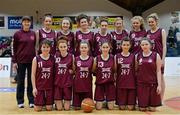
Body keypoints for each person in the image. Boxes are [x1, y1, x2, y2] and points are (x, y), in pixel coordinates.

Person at [12, 16, 35, 108]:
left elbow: (36, 47)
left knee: (31, 82)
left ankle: (31, 101)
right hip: (20, 61)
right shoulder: (17, 34)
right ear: (22, 23)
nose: (26, 23)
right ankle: (20, 101)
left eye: (28, 22)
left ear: (30, 23)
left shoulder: (33, 34)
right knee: (20, 82)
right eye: (25, 22)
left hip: (32, 61)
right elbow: (13, 48)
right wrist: (14, 61)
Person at [136, 38, 162, 111]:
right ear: (140, 46)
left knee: (153, 109)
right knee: (142, 108)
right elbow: (136, 70)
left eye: (146, 44)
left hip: (152, 84)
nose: (144, 46)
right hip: (141, 84)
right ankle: (143, 103)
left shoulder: (156, 55)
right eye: (142, 44)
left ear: (150, 45)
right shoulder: (138, 56)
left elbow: (158, 71)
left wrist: (159, 85)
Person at [146, 13, 167, 100]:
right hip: (150, 58)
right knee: (152, 77)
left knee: (161, 77)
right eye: (149, 22)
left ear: (156, 21)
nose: (151, 23)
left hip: (159, 58)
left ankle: (161, 99)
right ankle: (152, 97)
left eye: (152, 22)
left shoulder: (161, 31)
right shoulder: (147, 32)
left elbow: (164, 46)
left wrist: (163, 59)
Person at [31, 39, 55, 111]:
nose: (45, 49)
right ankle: (41, 102)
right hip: (39, 87)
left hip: (49, 87)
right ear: (40, 48)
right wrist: (34, 88)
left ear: (50, 48)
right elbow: (33, 74)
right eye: (44, 47)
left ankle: (45, 102)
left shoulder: (53, 58)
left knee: (49, 108)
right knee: (38, 109)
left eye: (47, 47)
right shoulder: (36, 59)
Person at [94, 40, 116, 110]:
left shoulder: (113, 58)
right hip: (100, 84)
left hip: (110, 84)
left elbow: (115, 70)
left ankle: (107, 101)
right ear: (100, 48)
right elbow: (93, 70)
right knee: (98, 108)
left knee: (111, 108)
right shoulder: (96, 58)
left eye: (107, 47)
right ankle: (103, 101)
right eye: (104, 47)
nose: (105, 49)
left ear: (110, 48)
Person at [115, 38, 136, 110]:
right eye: (124, 45)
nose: (126, 46)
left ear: (130, 46)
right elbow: (115, 71)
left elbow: (136, 69)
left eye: (127, 45)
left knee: (130, 108)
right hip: (121, 84)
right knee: (122, 107)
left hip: (131, 84)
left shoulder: (133, 56)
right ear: (121, 45)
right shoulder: (117, 56)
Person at [54, 36, 74, 110]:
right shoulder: (55, 56)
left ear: (67, 47)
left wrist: (72, 71)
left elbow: (74, 70)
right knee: (59, 108)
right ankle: (56, 103)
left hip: (67, 84)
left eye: (64, 46)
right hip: (57, 83)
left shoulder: (71, 56)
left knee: (67, 108)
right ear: (58, 47)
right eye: (61, 47)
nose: (63, 48)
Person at [73, 40, 94, 110]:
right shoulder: (76, 59)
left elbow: (93, 71)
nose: (83, 49)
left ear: (88, 48)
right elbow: (73, 70)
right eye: (82, 47)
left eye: (85, 47)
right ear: (79, 48)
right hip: (78, 85)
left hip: (87, 85)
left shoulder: (92, 59)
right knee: (77, 108)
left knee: (88, 106)